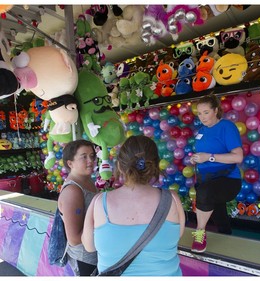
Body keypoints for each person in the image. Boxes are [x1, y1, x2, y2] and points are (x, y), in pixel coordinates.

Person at [81, 135, 185, 276]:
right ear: (155, 165)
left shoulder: (99, 202)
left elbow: (89, 246)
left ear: (119, 165)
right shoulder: (172, 199)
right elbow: (176, 237)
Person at [190, 94, 243, 253]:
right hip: (207, 179)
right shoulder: (201, 131)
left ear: (216, 110)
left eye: (206, 112)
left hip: (228, 179)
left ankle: (200, 233)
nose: (202, 117)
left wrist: (210, 157)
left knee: (205, 194)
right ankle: (226, 234)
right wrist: (197, 159)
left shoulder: (227, 127)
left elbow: (238, 156)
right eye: (199, 113)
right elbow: (204, 155)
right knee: (219, 214)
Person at [58, 139, 98, 276]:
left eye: (92, 156)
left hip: (95, 252)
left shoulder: (88, 181)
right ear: (70, 163)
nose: (90, 160)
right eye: (84, 157)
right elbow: (74, 239)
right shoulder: (73, 191)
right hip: (85, 259)